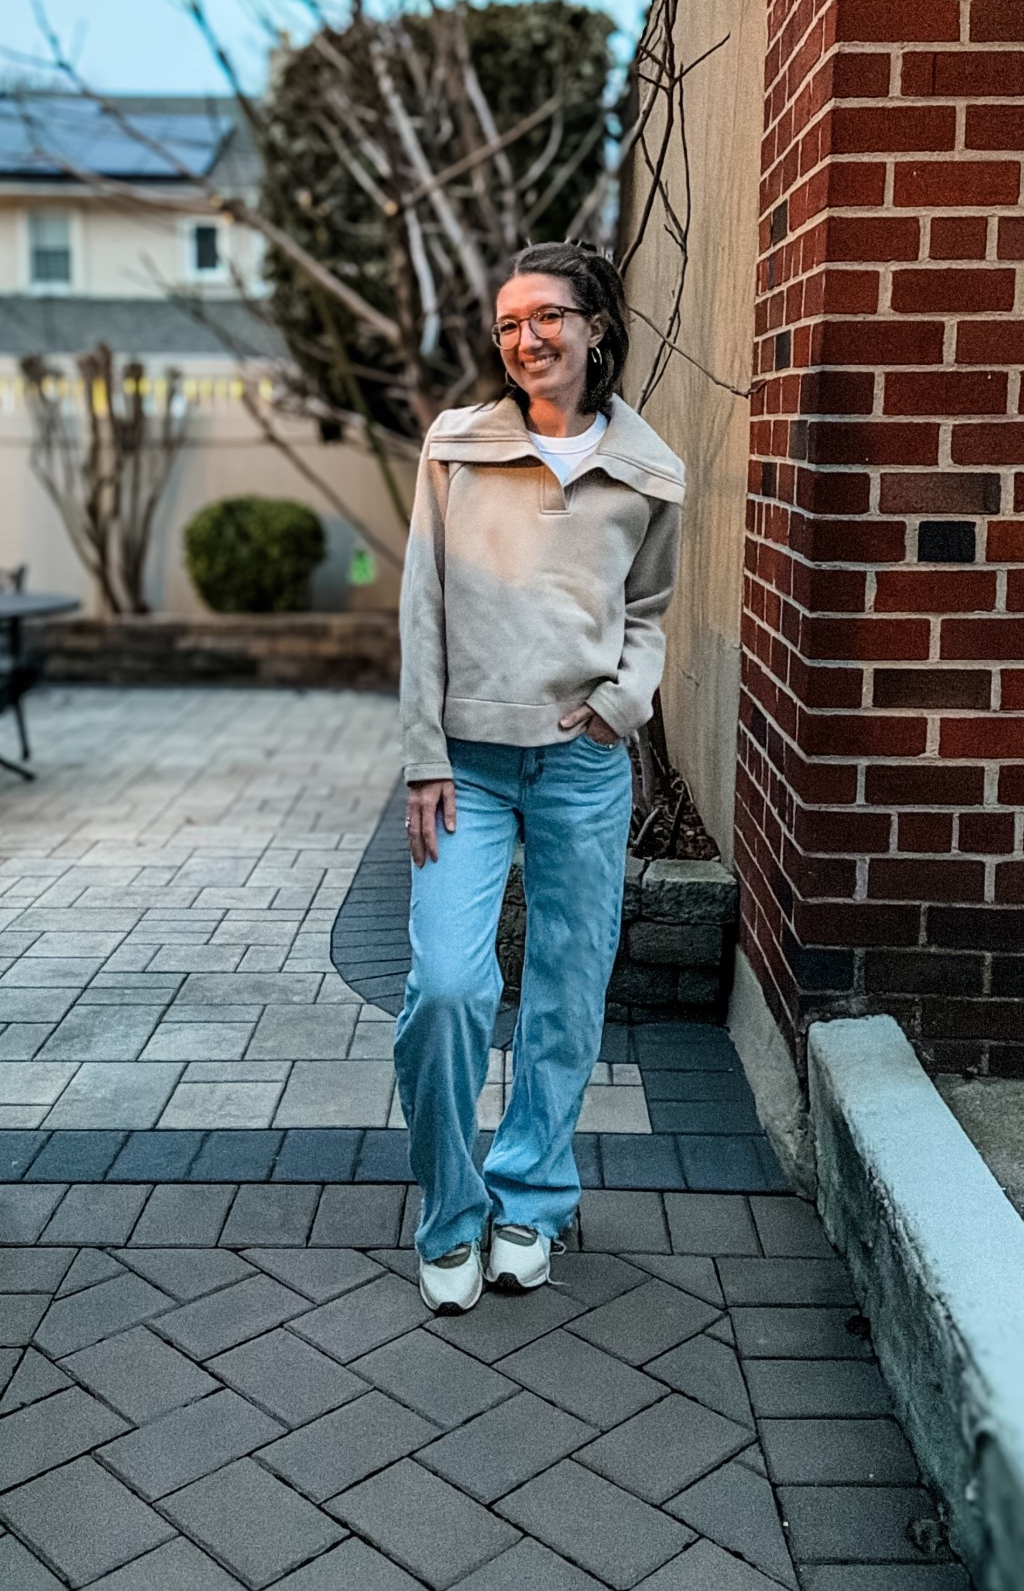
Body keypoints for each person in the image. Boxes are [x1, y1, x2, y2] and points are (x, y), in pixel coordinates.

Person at [395, 240, 685, 1312]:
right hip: (465, 765)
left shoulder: (650, 468)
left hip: (581, 765)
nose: (527, 338)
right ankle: (450, 1210)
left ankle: (529, 1199)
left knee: (566, 990)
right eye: (510, 322)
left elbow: (647, 612)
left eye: (548, 316)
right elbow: (420, 602)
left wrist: (623, 704)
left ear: (597, 324)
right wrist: (423, 754)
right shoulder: (458, 446)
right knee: (450, 989)